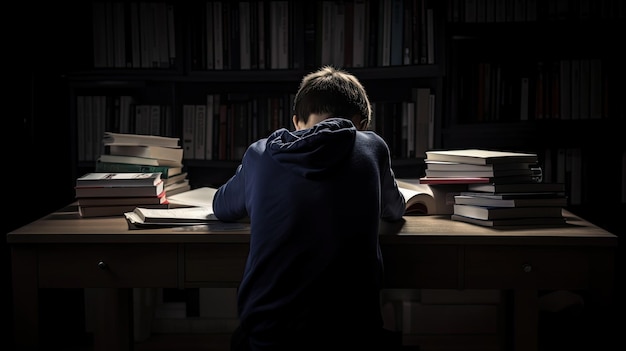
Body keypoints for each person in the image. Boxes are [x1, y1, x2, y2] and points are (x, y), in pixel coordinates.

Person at [212, 66, 407, 351]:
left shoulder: (260, 153)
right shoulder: (372, 146)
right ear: (361, 124)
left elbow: (222, 206)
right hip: (352, 336)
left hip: (268, 336)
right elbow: (395, 209)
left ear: (296, 122)